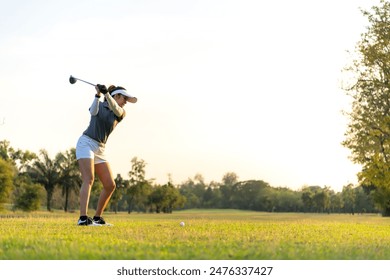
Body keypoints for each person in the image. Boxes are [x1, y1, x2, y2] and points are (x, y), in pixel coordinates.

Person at [75, 83, 137, 226]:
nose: (126, 102)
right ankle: (83, 218)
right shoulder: (100, 105)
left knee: (110, 185)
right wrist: (98, 94)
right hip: (86, 143)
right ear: (117, 96)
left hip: (100, 148)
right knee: (89, 179)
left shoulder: (120, 112)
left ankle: (97, 218)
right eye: (124, 99)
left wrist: (106, 94)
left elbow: (116, 107)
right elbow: (93, 111)